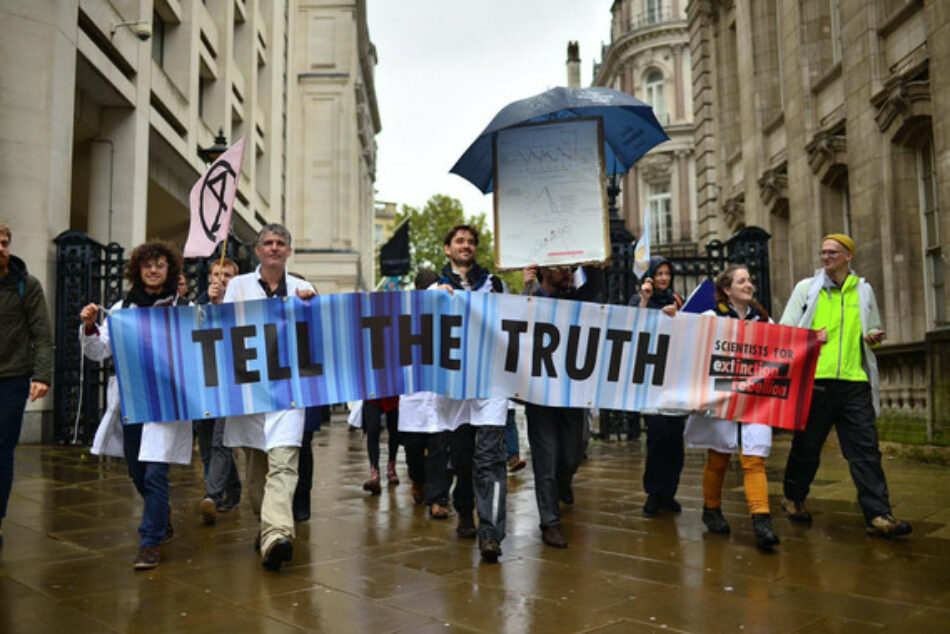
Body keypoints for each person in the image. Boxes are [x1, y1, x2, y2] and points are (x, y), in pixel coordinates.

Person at [780, 234, 911, 537]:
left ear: (848, 256)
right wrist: (811, 339)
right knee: (807, 447)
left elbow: (873, 331)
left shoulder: (863, 291)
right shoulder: (806, 290)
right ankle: (794, 498)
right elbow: (784, 333)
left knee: (865, 451)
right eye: (823, 252)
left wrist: (874, 338)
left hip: (855, 382)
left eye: (832, 252)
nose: (826, 257)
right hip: (817, 382)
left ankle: (878, 515)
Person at [80, 240, 193, 569]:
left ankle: (149, 541)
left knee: (157, 469)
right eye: (148, 265)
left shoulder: (181, 309)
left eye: (160, 264)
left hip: (166, 400)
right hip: (131, 397)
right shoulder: (121, 309)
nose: (154, 270)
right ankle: (161, 514)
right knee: (136, 468)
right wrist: (89, 326)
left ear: (169, 269)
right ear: (138, 270)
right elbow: (99, 351)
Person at [222, 224, 317, 570]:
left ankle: (277, 534)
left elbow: (315, 334)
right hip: (249, 392)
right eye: (268, 243)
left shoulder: (303, 289)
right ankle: (267, 525)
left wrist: (312, 307)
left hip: (289, 391)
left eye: (281, 243)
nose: (275, 248)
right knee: (256, 474)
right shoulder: (237, 286)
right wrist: (218, 305)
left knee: (284, 463)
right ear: (258, 251)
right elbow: (223, 331)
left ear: (289, 252)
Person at [428, 225, 509, 562]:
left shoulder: (495, 284)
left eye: (471, 242)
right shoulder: (435, 288)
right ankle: (464, 510)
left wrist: (530, 286)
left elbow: (514, 320)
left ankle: (490, 532)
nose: (466, 246)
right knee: (461, 459)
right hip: (455, 387)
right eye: (459, 241)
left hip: (490, 382)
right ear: (447, 249)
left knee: (489, 460)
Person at [684, 265, 780, 550]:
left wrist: (813, 341)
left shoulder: (764, 320)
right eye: (742, 281)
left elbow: (787, 348)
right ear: (727, 289)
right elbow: (684, 342)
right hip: (722, 395)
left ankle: (761, 522)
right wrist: (669, 317)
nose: (749, 284)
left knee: (754, 456)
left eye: (750, 280)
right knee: (719, 455)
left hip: (755, 397)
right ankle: (711, 509)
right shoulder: (709, 319)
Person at [520, 264, 597, 548]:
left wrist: (595, 263)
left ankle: (564, 482)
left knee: (573, 453)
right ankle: (550, 522)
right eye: (560, 269)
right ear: (543, 271)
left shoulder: (576, 299)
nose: (567, 273)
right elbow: (516, 325)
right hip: (540, 396)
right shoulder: (528, 296)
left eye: (570, 269)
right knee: (546, 460)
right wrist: (527, 287)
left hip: (571, 393)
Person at [0, 223, 53, 548]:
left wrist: (42, 376)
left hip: (12, 379)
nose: (1, 249)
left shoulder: (26, 286)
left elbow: (42, 336)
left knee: (2, 452)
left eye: (4, 242)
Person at [631, 256, 686, 517]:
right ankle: (653, 492)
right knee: (658, 436)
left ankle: (669, 492)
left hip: (675, 378)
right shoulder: (639, 300)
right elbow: (632, 329)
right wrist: (645, 301)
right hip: (651, 380)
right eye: (659, 273)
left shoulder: (677, 301)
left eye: (667, 273)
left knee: (675, 439)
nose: (664, 278)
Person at [196, 258, 243, 525]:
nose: (221, 279)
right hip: (204, 383)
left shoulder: (242, 305)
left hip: (231, 382)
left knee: (221, 441)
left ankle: (211, 496)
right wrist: (209, 306)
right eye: (216, 274)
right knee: (205, 442)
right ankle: (233, 488)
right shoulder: (198, 305)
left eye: (227, 275)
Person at [360, 397, 401, 494]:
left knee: (394, 432)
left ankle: (391, 467)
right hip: (372, 394)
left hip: (392, 394)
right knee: (372, 431)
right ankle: (375, 474)